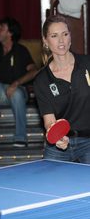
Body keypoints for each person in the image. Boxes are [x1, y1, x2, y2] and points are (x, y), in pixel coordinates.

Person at [33, 14, 90, 163]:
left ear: (70, 37)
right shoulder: (41, 80)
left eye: (65, 34)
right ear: (45, 41)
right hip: (60, 145)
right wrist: (57, 137)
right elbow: (49, 120)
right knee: (48, 185)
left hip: (89, 140)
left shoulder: (87, 64)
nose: (61, 40)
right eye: (54, 35)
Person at [0, 17, 37, 148]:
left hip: (17, 90)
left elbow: (34, 71)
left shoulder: (21, 50)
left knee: (16, 93)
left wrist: (16, 83)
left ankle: (21, 137)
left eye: (1, 28)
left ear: (10, 33)